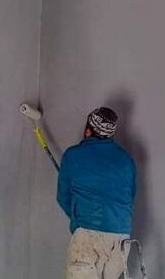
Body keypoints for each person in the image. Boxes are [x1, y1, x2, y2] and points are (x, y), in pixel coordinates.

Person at [58, 107, 137, 279]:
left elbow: (63, 197)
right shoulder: (127, 160)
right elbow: (129, 198)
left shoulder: (73, 156)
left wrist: (80, 217)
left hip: (88, 237)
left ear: (88, 131)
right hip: (121, 240)